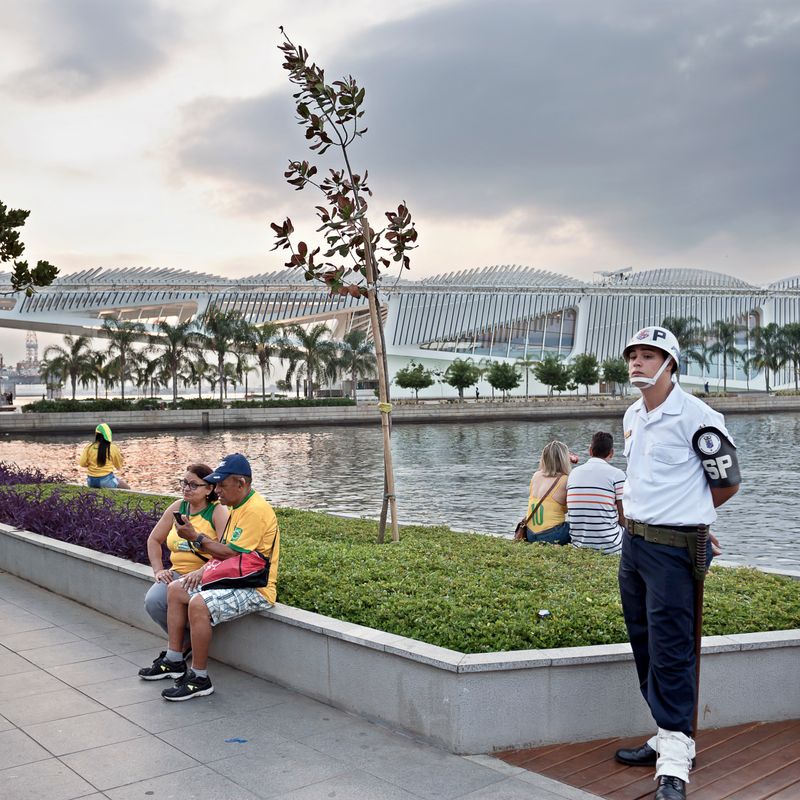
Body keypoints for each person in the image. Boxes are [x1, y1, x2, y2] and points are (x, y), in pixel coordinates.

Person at [614, 326, 740, 800]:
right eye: (633, 356)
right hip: (635, 545)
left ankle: (674, 761)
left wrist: (694, 520)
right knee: (644, 641)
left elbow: (726, 483)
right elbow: (643, 479)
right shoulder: (633, 415)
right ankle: (670, 734)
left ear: (671, 365)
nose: (637, 364)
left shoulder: (699, 418)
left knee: (671, 646)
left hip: (674, 550)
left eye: (649, 356)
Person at [145, 453, 280, 701]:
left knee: (199, 603)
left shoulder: (255, 510)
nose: (217, 490)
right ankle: (175, 659)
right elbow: (227, 555)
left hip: (256, 586)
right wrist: (202, 570)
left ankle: (199, 678)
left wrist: (195, 537)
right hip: (237, 576)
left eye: (221, 484)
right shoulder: (236, 506)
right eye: (215, 484)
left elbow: (229, 553)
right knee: (175, 589)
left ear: (241, 483)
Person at [138, 464, 228, 677]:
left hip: (206, 574)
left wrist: (203, 570)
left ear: (209, 489)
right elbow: (154, 539)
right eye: (184, 483)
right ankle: (183, 646)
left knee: (176, 593)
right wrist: (159, 570)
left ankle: (177, 654)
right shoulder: (178, 507)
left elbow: (226, 552)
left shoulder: (217, 512)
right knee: (153, 601)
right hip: (177, 573)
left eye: (194, 485)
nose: (186, 488)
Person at [566, 431, 626, 554]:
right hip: (611, 547)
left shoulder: (573, 473)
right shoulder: (617, 474)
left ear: (590, 450)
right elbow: (623, 516)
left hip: (579, 545)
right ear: (612, 453)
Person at [525, 440, 572, 545]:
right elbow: (570, 509)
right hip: (551, 535)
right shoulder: (565, 479)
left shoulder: (536, 476)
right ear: (564, 459)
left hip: (530, 534)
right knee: (577, 526)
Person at [78, 423, 130, 489]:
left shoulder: (89, 447)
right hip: (106, 481)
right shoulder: (112, 447)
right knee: (127, 488)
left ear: (96, 434)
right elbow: (118, 466)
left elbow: (82, 464)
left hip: (91, 481)